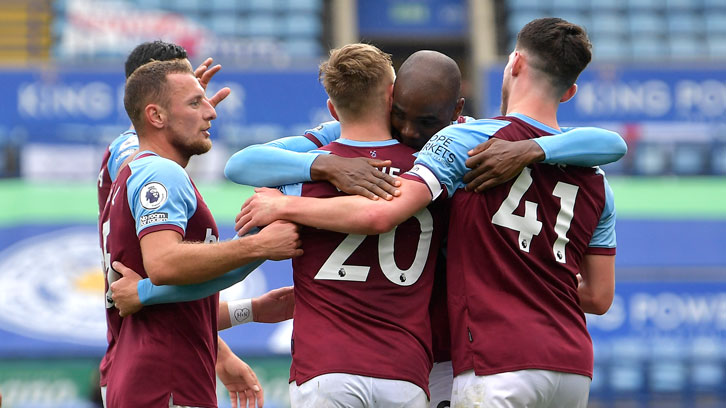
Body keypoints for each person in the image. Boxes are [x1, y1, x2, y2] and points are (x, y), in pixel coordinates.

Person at [237, 18, 617, 408]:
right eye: (399, 113)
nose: (409, 131)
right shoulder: (593, 175)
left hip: (465, 357)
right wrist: (324, 165)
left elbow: (380, 213)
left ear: (513, 64)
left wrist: (289, 203)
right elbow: (600, 294)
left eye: (426, 122)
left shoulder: (462, 144)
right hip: (559, 359)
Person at [99, 59, 301, 407]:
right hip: (166, 378)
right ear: (156, 116)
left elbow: (170, 296)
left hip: (153, 373)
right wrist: (259, 245)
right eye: (195, 102)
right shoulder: (161, 173)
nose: (212, 113)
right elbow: (164, 264)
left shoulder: (135, 171)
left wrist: (248, 310)